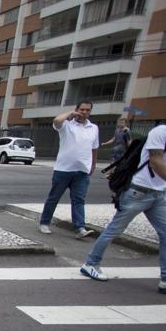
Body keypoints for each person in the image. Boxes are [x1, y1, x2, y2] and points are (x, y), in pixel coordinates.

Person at [79, 92, 166, 293]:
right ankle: (90, 264)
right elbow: (156, 160)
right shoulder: (162, 131)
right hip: (139, 191)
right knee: (115, 230)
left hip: (160, 195)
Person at [39, 100, 99, 239]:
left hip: (82, 170)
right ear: (77, 109)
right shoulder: (66, 125)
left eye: (87, 110)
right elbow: (57, 120)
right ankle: (45, 222)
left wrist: (93, 164)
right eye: (82, 109)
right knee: (54, 197)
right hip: (63, 169)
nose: (84, 112)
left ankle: (80, 228)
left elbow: (94, 148)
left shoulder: (94, 128)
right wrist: (70, 114)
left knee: (78, 200)